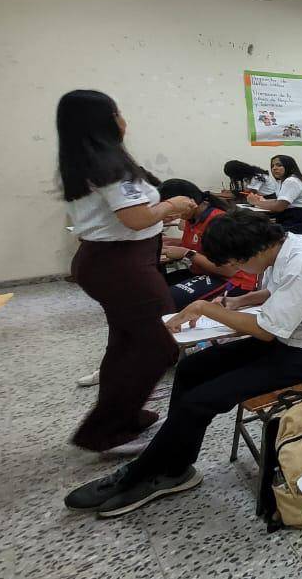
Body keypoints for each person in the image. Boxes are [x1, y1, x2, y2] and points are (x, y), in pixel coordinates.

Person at [64, 212, 302, 517]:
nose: (238, 270)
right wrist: (238, 303)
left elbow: (265, 331)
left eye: (237, 263)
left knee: (199, 401)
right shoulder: (284, 248)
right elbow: (276, 293)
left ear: (255, 250)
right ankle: (176, 468)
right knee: (192, 368)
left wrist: (207, 308)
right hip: (294, 339)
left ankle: (140, 474)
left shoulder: (301, 263)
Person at [58, 90, 195, 454]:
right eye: (118, 113)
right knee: (160, 345)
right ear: (105, 121)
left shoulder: (83, 162)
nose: (124, 120)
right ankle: (107, 431)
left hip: (110, 262)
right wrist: (171, 205)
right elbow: (135, 219)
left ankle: (124, 416)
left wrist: (158, 217)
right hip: (121, 265)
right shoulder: (109, 166)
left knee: (126, 342)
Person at [158, 179, 258, 310]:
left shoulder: (218, 221)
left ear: (188, 201)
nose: (168, 213)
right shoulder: (192, 217)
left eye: (170, 206)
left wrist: (186, 253)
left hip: (232, 279)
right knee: (153, 287)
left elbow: (229, 270)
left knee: (164, 301)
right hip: (204, 272)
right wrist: (170, 243)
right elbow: (197, 245)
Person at [246, 155, 302, 238]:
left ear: (289, 166)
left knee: (256, 231)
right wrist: (263, 201)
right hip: (299, 220)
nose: (274, 168)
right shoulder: (288, 179)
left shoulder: (291, 181)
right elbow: (280, 201)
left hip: (301, 225)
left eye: (279, 165)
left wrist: (256, 202)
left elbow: (279, 207)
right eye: (272, 166)